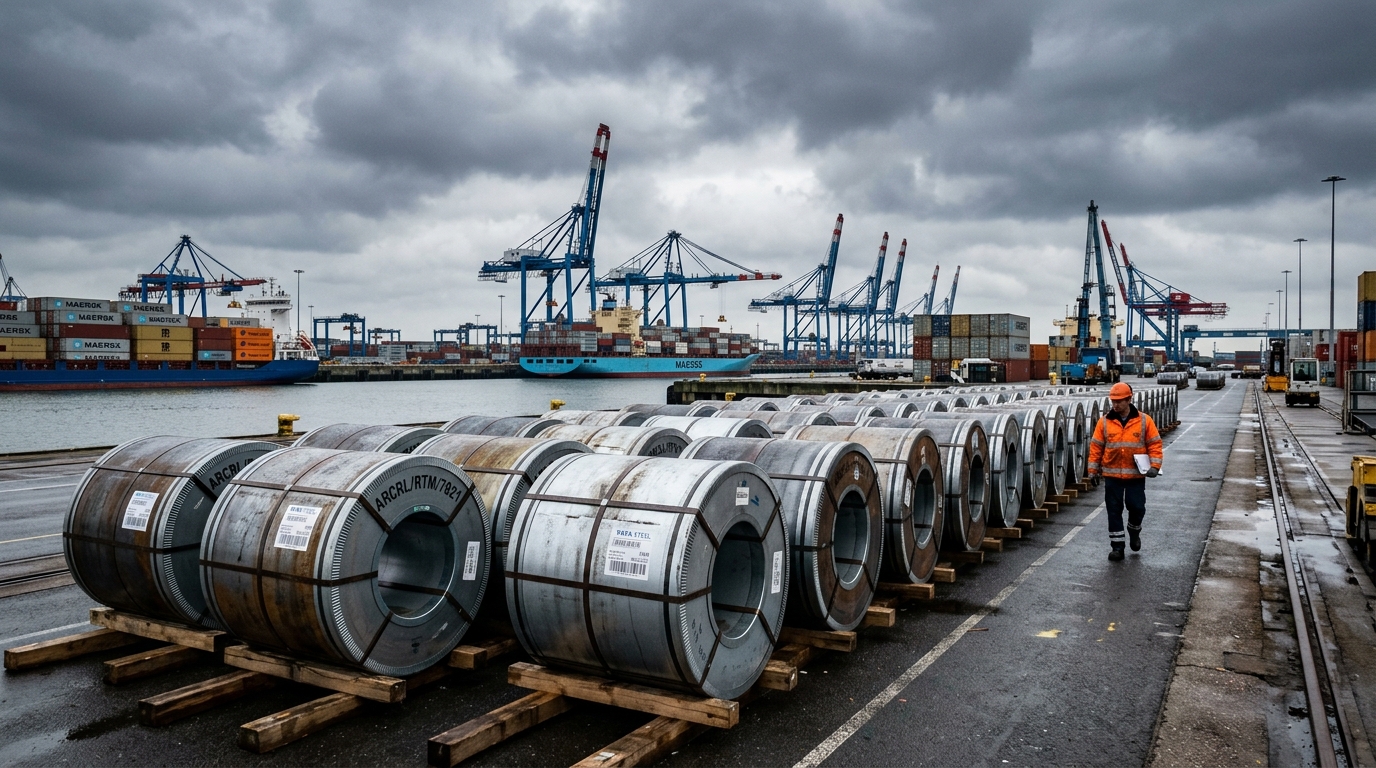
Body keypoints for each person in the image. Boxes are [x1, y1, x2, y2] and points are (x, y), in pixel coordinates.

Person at [1087, 381, 1163, 561]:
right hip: (1112, 475)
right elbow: (1096, 447)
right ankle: (1117, 548)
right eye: (1113, 401)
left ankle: (1134, 530)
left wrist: (1155, 466)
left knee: (1137, 508)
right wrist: (1092, 471)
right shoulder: (1104, 422)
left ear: (1129, 399)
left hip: (1135, 476)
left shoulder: (1144, 421)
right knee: (1114, 511)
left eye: (1120, 401)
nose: (1115, 405)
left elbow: (1155, 444)